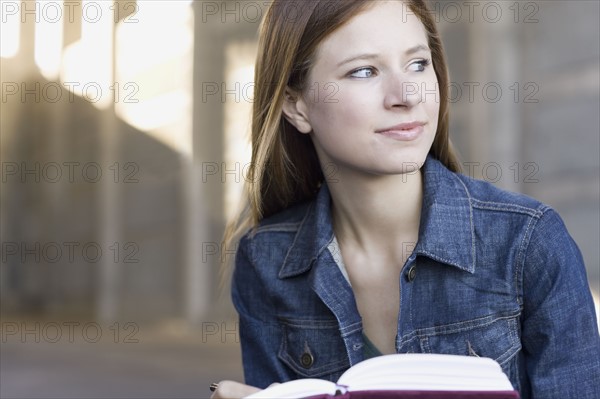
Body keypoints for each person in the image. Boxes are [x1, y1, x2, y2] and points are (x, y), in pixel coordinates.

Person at [211, 1, 600, 398]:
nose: (406, 95)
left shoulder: (529, 244)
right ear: (296, 105)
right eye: (364, 71)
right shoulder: (266, 260)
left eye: (417, 64)